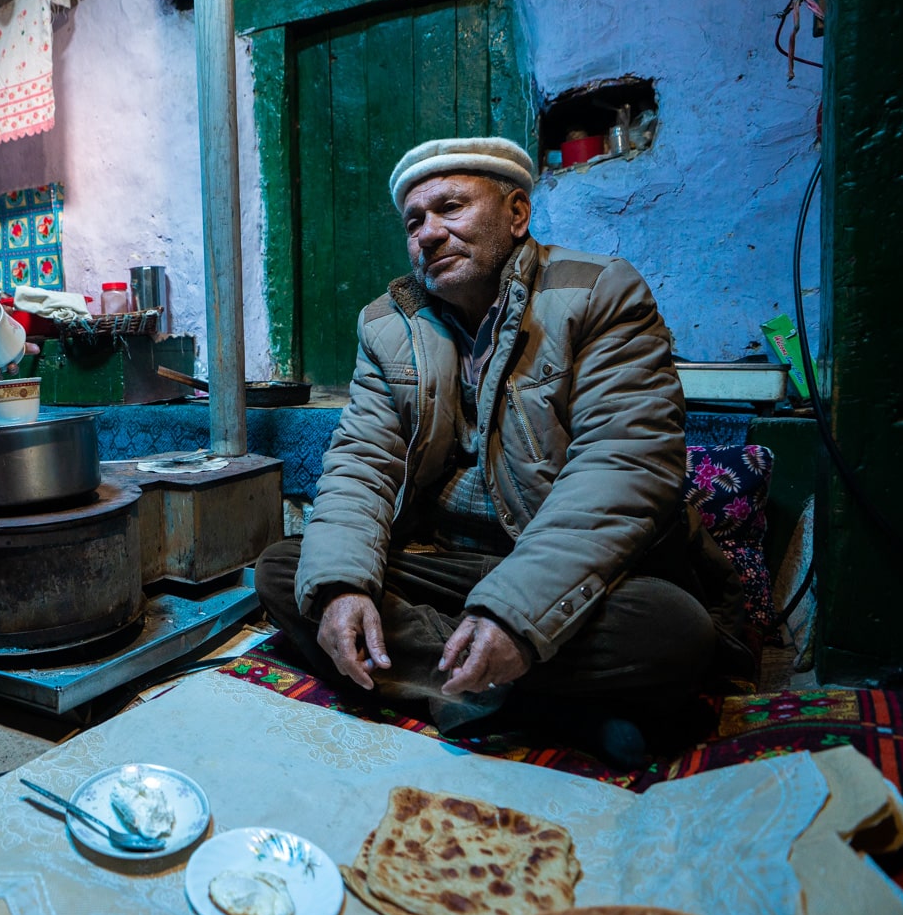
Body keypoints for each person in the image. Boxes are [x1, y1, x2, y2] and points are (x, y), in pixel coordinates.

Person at [254, 136, 754, 767]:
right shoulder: (387, 325)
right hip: (452, 567)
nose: (428, 234)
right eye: (414, 222)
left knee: (674, 629)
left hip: (577, 571)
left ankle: (458, 681)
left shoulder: (601, 294)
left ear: (517, 214)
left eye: (451, 209)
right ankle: (552, 708)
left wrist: (518, 615)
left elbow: (622, 468)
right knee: (289, 572)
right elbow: (362, 464)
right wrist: (341, 591)